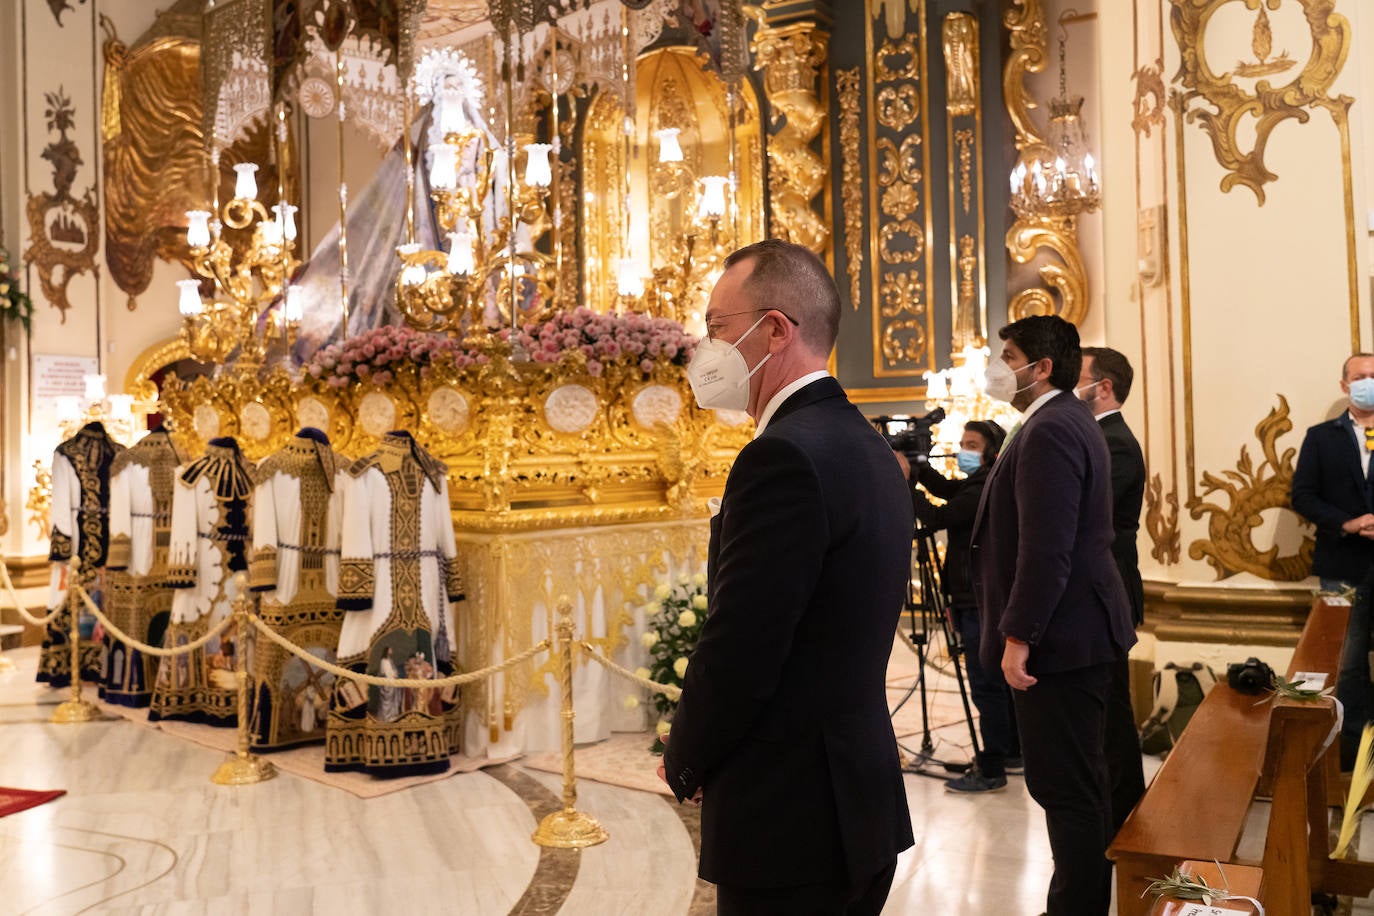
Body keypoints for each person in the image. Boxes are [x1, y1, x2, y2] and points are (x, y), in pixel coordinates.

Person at [659, 240, 914, 915]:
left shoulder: (783, 457)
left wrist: (688, 756)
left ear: (774, 329)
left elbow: (744, 644)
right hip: (857, 798)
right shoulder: (866, 444)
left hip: (790, 816)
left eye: (716, 326)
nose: (705, 349)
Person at [971, 315, 1137, 915]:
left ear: (1041, 368)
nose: (999, 368)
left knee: (1067, 788)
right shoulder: (1064, 419)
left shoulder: (1050, 428)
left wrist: (1020, 635)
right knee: (1077, 783)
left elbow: (1047, 547)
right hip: (1078, 630)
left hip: (1062, 640)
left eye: (1009, 357)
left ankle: (1076, 907)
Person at [894, 420, 1021, 793]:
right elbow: (945, 489)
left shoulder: (983, 488)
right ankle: (1011, 753)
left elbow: (937, 517)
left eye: (972, 445)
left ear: (991, 452)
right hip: (974, 596)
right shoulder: (979, 483)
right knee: (994, 683)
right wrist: (919, 466)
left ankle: (992, 767)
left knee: (986, 685)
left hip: (978, 600)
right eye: (962, 442)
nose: (963, 450)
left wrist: (905, 481)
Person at [1076, 346, 1149, 831]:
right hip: (1100, 583)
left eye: (1078, 378)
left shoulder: (1115, 442)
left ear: (1103, 387)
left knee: (1112, 708)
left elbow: (1090, 511)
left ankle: (1125, 813)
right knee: (1103, 706)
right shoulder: (1097, 438)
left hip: (1111, 584)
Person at [1290, 353, 1374, 768]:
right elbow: (1302, 495)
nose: (1367, 382)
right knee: (1349, 664)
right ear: (1344, 385)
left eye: (1373, 376)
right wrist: (1348, 523)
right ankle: (1355, 756)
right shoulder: (1321, 437)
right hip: (1342, 565)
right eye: (1360, 376)